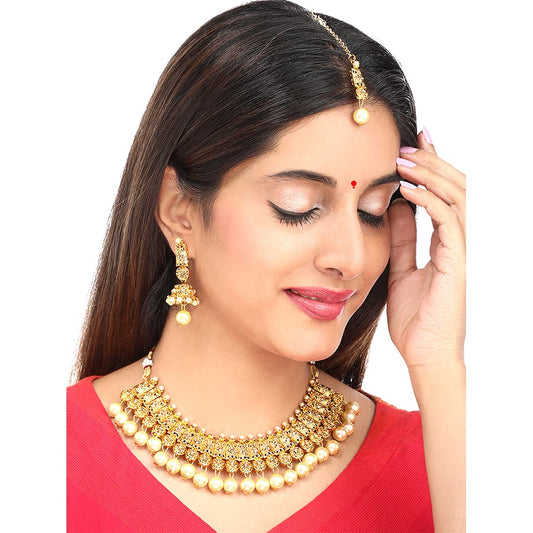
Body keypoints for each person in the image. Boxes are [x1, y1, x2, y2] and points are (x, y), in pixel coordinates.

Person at [67, 0, 466, 531]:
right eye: (297, 207)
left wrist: (438, 364)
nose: (350, 259)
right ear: (179, 209)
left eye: (373, 211)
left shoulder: (441, 462)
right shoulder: (48, 456)